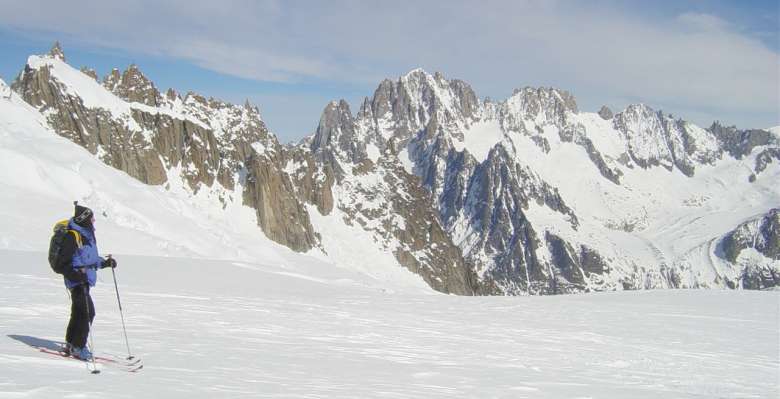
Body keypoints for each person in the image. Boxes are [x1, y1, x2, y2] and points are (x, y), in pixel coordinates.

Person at [56, 201, 117, 360]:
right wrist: (75, 275)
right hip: (77, 281)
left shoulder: (86, 235)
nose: (94, 221)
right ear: (84, 219)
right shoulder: (73, 236)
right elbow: (62, 263)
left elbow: (89, 259)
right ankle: (78, 346)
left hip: (84, 280)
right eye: (92, 218)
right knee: (88, 312)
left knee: (78, 312)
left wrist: (104, 263)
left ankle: (71, 343)